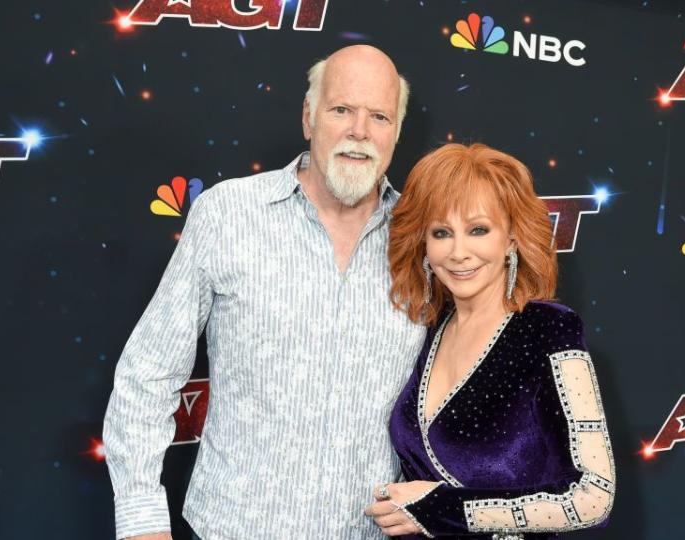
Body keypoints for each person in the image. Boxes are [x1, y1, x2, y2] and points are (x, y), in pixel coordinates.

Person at [103, 45, 425, 540]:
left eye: (378, 116)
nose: (359, 131)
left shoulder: (425, 240)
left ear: (396, 133)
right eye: (341, 110)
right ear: (308, 117)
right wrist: (142, 521)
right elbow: (147, 374)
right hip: (233, 528)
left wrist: (440, 500)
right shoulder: (227, 214)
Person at [365, 143, 615, 538]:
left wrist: (445, 509)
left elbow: (593, 495)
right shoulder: (427, 330)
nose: (459, 252)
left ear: (511, 239)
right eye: (442, 233)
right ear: (425, 246)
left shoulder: (549, 330)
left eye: (478, 230)